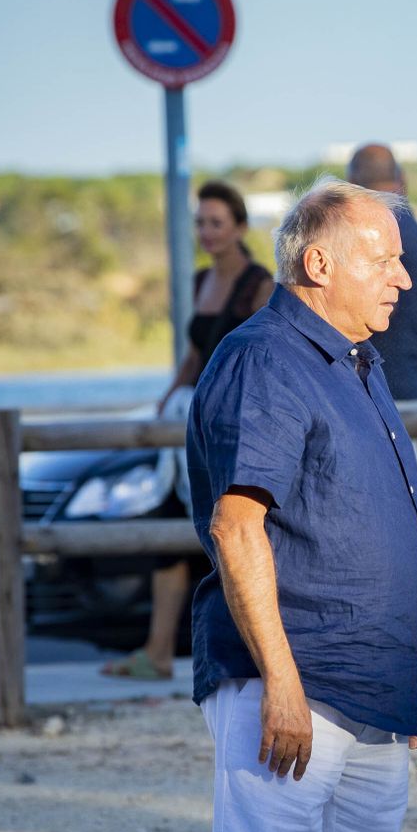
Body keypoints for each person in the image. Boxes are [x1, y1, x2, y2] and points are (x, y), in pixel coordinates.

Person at [185, 176, 417, 832]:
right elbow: (236, 527)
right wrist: (282, 684)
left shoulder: (356, 361)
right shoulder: (264, 358)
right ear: (319, 260)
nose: (402, 279)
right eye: (385, 259)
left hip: (375, 701)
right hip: (293, 692)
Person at [103, 179, 273, 680]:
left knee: (230, 535)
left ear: (240, 227)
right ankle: (157, 652)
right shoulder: (202, 282)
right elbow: (195, 355)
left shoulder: (259, 283)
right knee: (173, 531)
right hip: (188, 427)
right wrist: (165, 401)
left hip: (227, 429)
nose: (207, 231)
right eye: (201, 222)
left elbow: (260, 359)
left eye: (217, 222)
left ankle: (252, 655)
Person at [347, 142, 417, 400]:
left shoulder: (376, 230)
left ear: (352, 182)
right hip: (411, 385)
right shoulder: (414, 231)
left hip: (382, 389)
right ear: (402, 179)